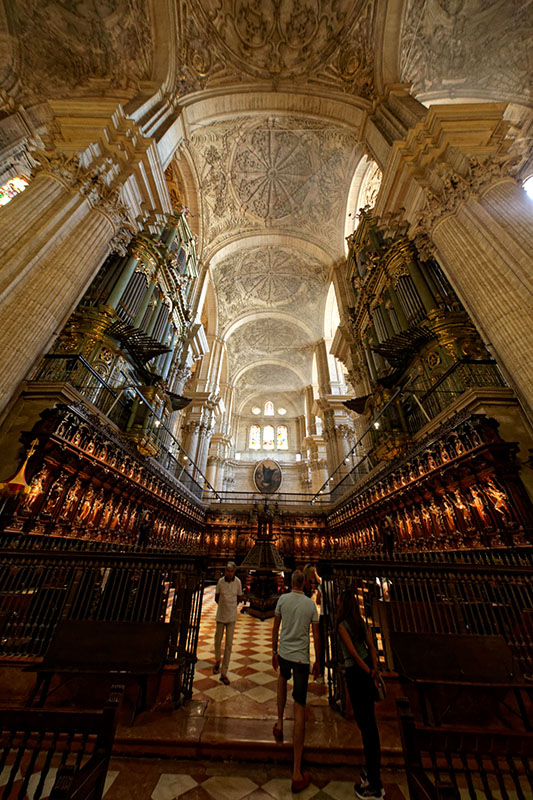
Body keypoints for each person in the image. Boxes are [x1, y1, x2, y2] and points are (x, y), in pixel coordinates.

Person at [272, 570, 320, 794]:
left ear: (291, 582)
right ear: (306, 584)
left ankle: (280, 723)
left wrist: (274, 650)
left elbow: (275, 627)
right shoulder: (310, 605)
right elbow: (317, 636)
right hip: (301, 657)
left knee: (282, 679)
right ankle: (296, 771)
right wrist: (319, 660)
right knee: (299, 705)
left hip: (284, 653)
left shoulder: (282, 600)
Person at [336, 589, 384, 800]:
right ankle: (371, 773)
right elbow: (371, 647)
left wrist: (367, 671)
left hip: (357, 675)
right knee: (369, 725)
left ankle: (374, 783)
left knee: (367, 727)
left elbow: (354, 655)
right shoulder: (360, 622)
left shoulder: (342, 625)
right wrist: (375, 670)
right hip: (367, 672)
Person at [213, 561, 245, 685]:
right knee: (217, 639)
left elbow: (239, 597)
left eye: (231, 572)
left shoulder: (238, 582)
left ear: (234, 572)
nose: (229, 573)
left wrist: (231, 607)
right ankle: (217, 660)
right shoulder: (220, 582)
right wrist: (223, 606)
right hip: (221, 615)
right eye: (227, 571)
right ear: (225, 571)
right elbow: (217, 597)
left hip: (231, 616)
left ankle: (224, 673)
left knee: (229, 644)